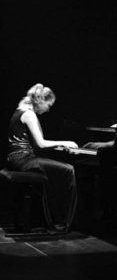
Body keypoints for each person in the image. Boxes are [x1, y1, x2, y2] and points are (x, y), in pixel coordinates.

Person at [6, 83, 79, 233]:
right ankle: (62, 221)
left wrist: (60, 146)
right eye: (49, 105)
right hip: (23, 159)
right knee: (68, 170)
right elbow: (41, 144)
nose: (49, 109)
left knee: (55, 168)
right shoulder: (29, 114)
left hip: (16, 158)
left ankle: (46, 217)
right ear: (41, 101)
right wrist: (66, 142)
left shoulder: (21, 110)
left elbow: (35, 144)